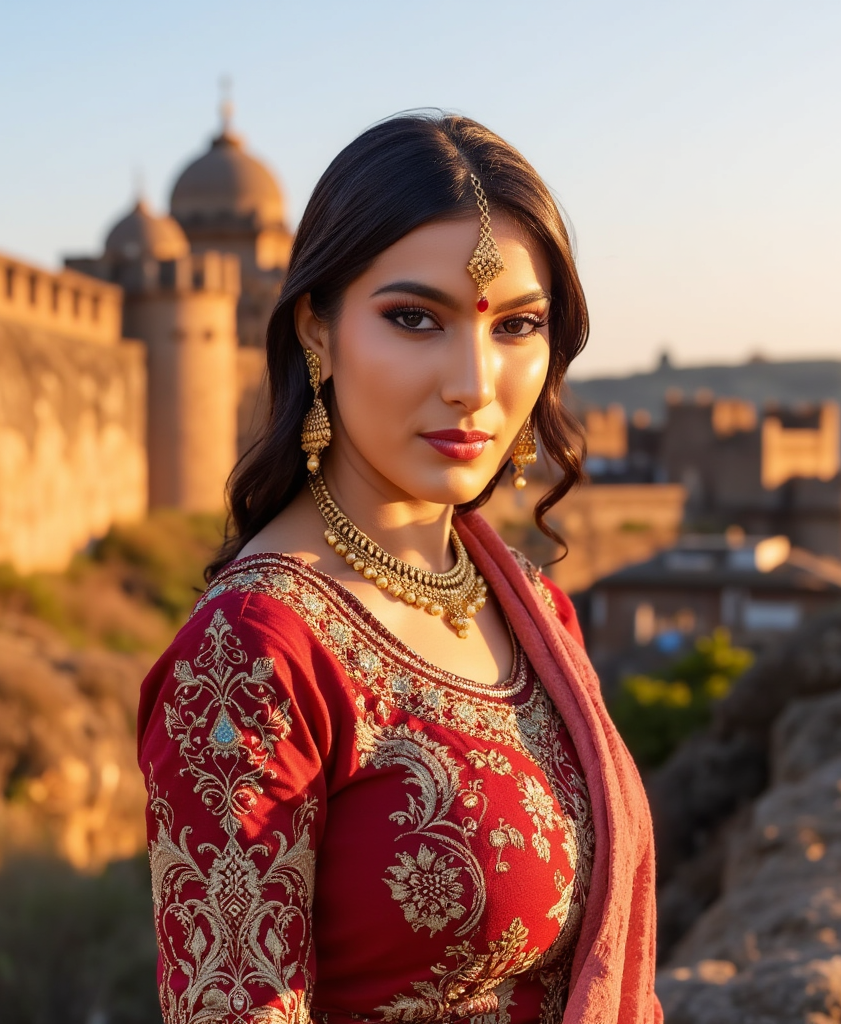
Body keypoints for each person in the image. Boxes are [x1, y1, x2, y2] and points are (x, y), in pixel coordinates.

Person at [137, 112, 661, 1024]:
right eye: (415, 319)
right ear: (318, 331)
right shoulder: (252, 657)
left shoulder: (531, 610)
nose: (473, 380)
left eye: (517, 325)